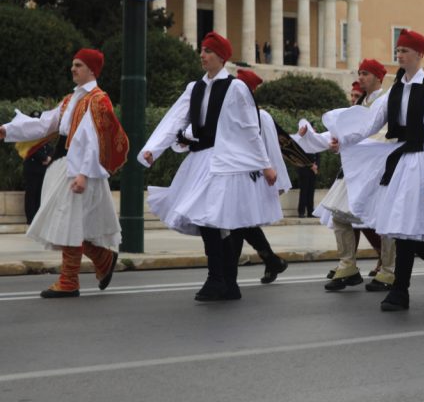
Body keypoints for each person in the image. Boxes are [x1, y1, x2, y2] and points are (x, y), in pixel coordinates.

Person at [140, 32, 278, 302]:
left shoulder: (236, 87)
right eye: (202, 50)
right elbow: (175, 119)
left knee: (224, 221)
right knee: (208, 221)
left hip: (229, 163)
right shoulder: (195, 87)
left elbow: (250, 128)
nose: (202, 55)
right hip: (202, 160)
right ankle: (219, 279)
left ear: (222, 57)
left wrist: (265, 165)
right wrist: (152, 149)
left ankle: (224, 281)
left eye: (208, 51)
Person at [325, 31, 424, 311]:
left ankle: (404, 289)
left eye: (406, 51)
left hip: (420, 161)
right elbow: (370, 124)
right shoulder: (394, 90)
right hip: (400, 162)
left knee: (406, 229)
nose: (400, 55)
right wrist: (343, 140)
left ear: (420, 55)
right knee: (401, 228)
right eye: (398, 50)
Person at [0, 49, 128, 298]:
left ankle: (69, 281)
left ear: (92, 69)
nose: (73, 69)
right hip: (66, 166)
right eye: (73, 65)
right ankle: (102, 258)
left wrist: (82, 173)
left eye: (78, 65)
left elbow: (94, 141)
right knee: (63, 224)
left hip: (80, 170)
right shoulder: (71, 99)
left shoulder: (98, 100)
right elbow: (46, 124)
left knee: (66, 224)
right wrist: (7, 130)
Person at [301, 59, 396, 293]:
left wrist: (349, 142)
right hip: (356, 169)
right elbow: (341, 133)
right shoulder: (361, 103)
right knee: (340, 215)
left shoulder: (385, 101)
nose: (361, 77)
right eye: (360, 73)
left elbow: (384, 135)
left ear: (378, 77)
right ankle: (348, 266)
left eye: (365, 73)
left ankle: (389, 270)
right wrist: (312, 136)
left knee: (382, 222)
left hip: (376, 169)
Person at [233, 68, 291, 284]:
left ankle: (231, 275)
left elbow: (271, 148)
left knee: (239, 223)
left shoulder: (261, 115)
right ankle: (271, 260)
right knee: (242, 223)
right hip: (238, 176)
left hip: (253, 178)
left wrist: (277, 178)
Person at [17, 114, 54, 224]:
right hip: (32, 169)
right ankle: (30, 219)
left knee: (39, 194)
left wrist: (50, 157)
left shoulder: (43, 134)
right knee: (31, 194)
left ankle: (38, 218)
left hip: (42, 168)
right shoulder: (28, 135)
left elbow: (49, 147)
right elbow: (31, 150)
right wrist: (45, 157)